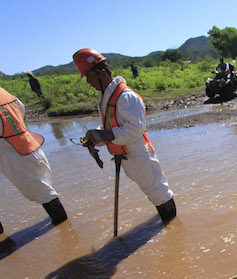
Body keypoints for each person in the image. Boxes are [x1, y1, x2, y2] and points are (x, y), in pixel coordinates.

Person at [72, 48, 176, 223]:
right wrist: (96, 136)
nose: (89, 82)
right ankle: (169, 226)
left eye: (89, 77)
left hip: (138, 154)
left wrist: (104, 135)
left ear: (102, 73)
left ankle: (173, 228)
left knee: (158, 192)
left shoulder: (126, 97)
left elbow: (135, 130)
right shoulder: (107, 96)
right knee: (152, 191)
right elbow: (112, 124)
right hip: (127, 155)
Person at [0, 86, 67, 226]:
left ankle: (63, 226)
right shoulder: (3, 92)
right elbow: (21, 107)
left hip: (10, 149)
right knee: (42, 187)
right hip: (26, 142)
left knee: (41, 191)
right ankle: (64, 228)